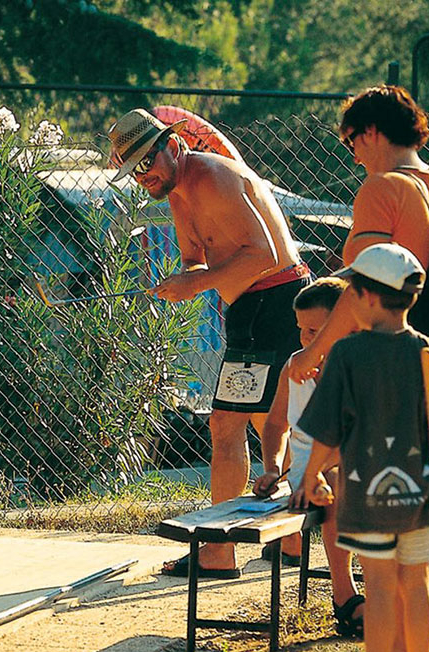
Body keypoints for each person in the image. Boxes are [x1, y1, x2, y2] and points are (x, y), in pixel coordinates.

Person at [108, 108, 309, 578]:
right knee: (265, 421)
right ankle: (292, 544)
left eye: (146, 163)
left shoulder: (214, 176)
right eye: (133, 170)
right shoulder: (177, 192)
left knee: (226, 426)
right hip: (250, 311)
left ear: (172, 146)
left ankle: (218, 553)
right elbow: (197, 261)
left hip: (276, 303)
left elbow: (267, 255)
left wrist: (194, 286)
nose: (143, 177)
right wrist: (181, 280)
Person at [298, 244, 429, 652]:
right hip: (422, 496)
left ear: (365, 296)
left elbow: (328, 428)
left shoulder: (346, 354)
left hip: (365, 498)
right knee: (417, 584)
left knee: (382, 589)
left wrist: (311, 475)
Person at [289, 84, 429, 383]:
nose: (355, 157)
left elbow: (364, 289)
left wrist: (315, 350)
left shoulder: (382, 187)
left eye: (350, 142)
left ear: (370, 132)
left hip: (382, 355)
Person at [253, 276, 366, 637]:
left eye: (315, 330)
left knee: (337, 477)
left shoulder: (359, 365)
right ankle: (345, 597)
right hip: (305, 476)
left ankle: (365, 594)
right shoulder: (295, 367)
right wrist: (272, 467)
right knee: (331, 481)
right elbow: (274, 424)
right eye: (301, 329)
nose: (305, 339)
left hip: (352, 468)